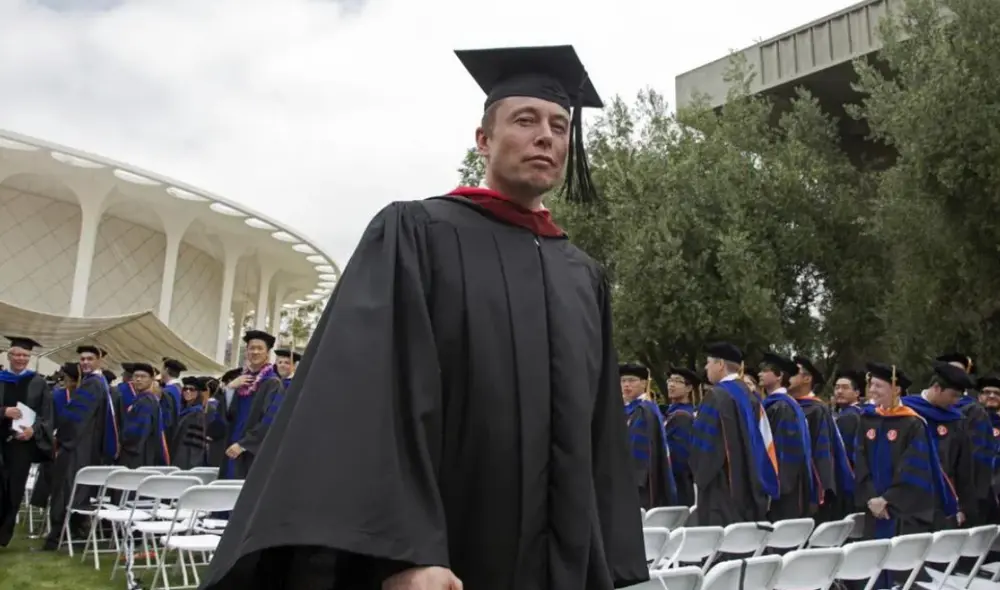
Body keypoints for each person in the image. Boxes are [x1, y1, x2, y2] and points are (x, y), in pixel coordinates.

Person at [199, 44, 647, 590]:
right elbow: (371, 399)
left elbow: (599, 429)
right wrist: (406, 552)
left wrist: (602, 559)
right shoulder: (416, 236)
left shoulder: (583, 276)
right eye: (525, 120)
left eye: (559, 124)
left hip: (562, 561)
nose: (546, 136)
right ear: (483, 140)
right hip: (447, 555)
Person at [854, 362, 955, 588]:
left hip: (900, 512)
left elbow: (914, 469)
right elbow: (859, 461)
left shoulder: (913, 423)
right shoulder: (867, 419)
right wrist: (871, 498)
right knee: (872, 570)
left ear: (896, 389)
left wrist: (887, 499)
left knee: (897, 572)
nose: (872, 391)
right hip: (873, 509)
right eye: (871, 385)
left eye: (878, 386)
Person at [691, 342, 778, 526]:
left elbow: (703, 451)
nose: (706, 368)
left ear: (720, 364)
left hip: (720, 492)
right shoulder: (750, 395)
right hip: (749, 486)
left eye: (708, 363)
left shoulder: (716, 396)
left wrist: (699, 473)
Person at [43, 349, 110, 551]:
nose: (85, 362)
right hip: (85, 445)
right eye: (82, 359)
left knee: (66, 490)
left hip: (77, 446)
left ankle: (57, 538)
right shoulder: (98, 383)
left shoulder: (92, 384)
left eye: (90, 359)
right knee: (76, 491)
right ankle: (71, 534)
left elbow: (76, 419)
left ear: (99, 361)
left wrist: (59, 436)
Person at [901, 361, 975, 528]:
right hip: (907, 501)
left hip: (941, 501)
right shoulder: (905, 411)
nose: (956, 402)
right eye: (953, 395)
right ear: (936, 388)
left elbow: (963, 467)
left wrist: (962, 507)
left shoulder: (956, 421)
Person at [0, 337, 54, 547]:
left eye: (25, 355)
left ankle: (4, 534)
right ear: (9, 355)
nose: (21, 358)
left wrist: (34, 430)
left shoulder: (38, 383)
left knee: (14, 489)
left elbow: (46, 415)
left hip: (21, 444)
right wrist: (4, 412)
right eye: (17, 354)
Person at [791, 355, 854, 522]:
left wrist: (821, 489)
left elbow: (823, 454)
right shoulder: (787, 405)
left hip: (808, 490)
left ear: (807, 378)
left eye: (793, 372)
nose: (787, 376)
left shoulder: (816, 410)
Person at [759, 352, 815, 520]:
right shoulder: (781, 404)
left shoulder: (782, 407)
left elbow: (784, 454)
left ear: (779, 376)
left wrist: (773, 488)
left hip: (783, 491)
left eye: (765, 370)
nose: (759, 374)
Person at [221, 330, 283, 480]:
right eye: (251, 348)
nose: (255, 352)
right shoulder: (242, 381)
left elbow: (270, 421)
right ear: (246, 352)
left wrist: (243, 444)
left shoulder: (272, 383)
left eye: (260, 348)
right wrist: (230, 388)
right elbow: (227, 415)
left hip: (252, 451)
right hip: (232, 446)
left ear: (267, 353)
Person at [619, 363, 676, 509]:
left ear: (644, 383)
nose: (626, 385)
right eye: (623, 381)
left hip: (638, 482)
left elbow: (638, 450)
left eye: (631, 380)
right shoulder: (636, 409)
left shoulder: (643, 410)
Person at [118, 363, 168, 468]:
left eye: (143, 376)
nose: (138, 379)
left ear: (151, 380)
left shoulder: (146, 401)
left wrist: (120, 439)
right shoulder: (143, 399)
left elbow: (137, 433)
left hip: (138, 456)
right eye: (136, 376)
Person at [664, 367, 699, 507]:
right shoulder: (670, 412)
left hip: (678, 483)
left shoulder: (683, 416)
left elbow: (680, 458)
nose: (671, 385)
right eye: (670, 381)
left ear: (689, 388)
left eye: (678, 381)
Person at [832, 369, 865, 465]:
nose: (839, 391)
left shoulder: (848, 417)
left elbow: (843, 452)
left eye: (845, 388)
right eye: (837, 388)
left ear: (857, 393)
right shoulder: (861, 411)